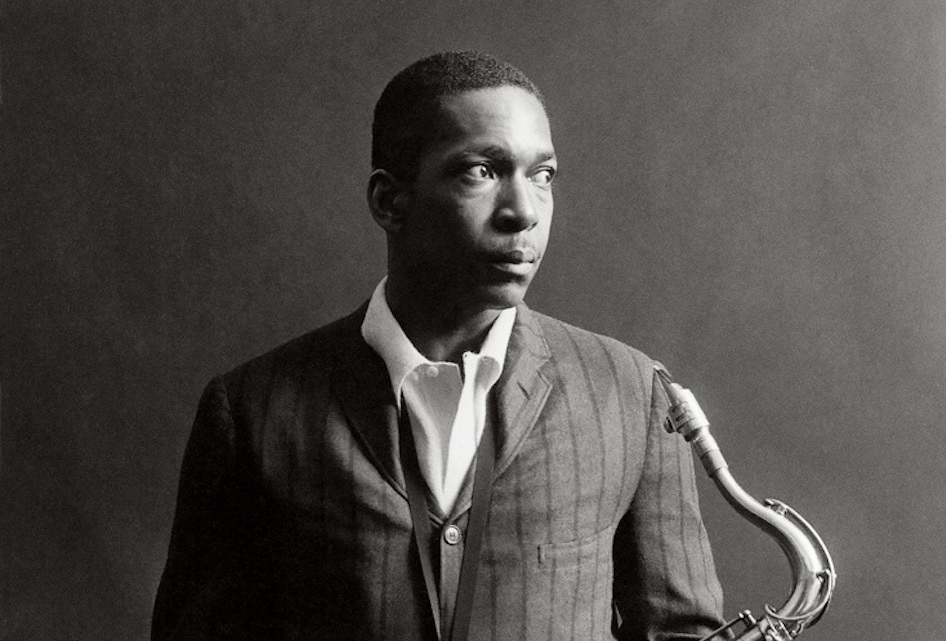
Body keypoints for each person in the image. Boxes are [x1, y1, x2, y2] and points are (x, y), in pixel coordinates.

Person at [152, 51, 725, 641]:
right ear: (389, 202)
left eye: (542, 175)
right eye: (481, 170)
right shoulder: (250, 412)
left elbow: (680, 631)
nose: (524, 211)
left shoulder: (633, 391)